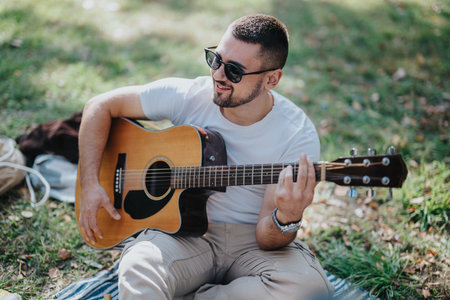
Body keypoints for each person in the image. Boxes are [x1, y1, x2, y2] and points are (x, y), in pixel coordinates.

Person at [78, 14, 334, 300]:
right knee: (140, 266)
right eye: (216, 59)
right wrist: (91, 184)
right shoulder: (190, 95)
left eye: (235, 71)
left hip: (251, 244)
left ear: (271, 79)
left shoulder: (297, 134)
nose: (218, 75)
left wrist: (287, 218)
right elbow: (99, 106)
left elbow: (267, 238)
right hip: (181, 234)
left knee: (310, 289)